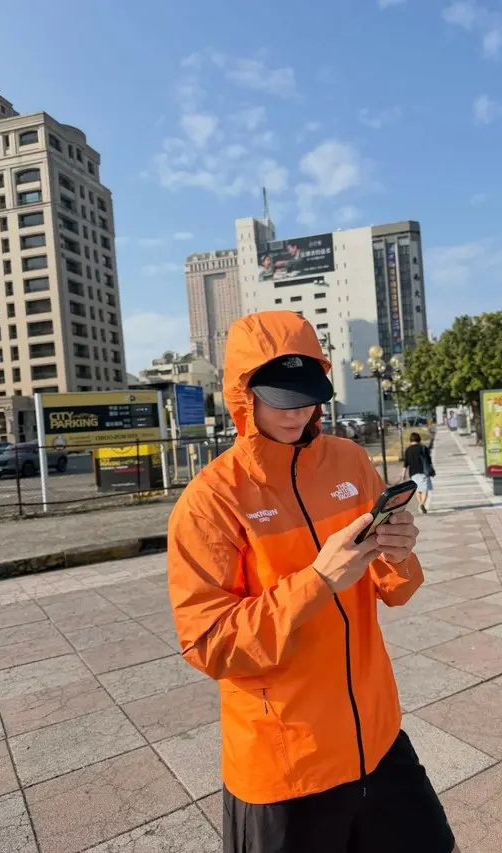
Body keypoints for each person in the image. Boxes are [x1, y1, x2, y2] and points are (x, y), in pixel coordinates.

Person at [168, 311, 460, 853]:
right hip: (286, 763)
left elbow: (397, 590)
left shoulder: (349, 461)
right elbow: (209, 643)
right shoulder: (211, 500)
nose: (298, 411)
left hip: (376, 738)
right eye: (280, 399)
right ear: (244, 396)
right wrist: (318, 580)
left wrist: (399, 555)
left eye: (307, 396)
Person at [403, 431, 434, 514]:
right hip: (423, 472)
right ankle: (422, 503)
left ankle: (420, 503)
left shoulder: (408, 450)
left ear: (410, 440)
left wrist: (403, 474)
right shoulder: (423, 448)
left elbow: (406, 463)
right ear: (419, 439)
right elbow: (429, 460)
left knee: (418, 490)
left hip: (413, 473)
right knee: (424, 489)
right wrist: (432, 468)